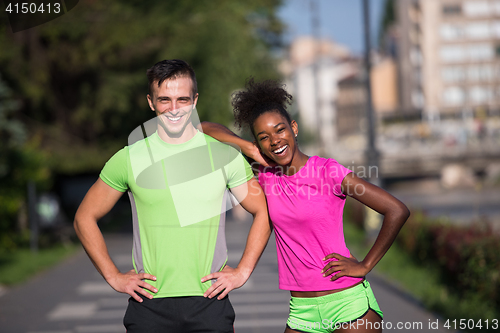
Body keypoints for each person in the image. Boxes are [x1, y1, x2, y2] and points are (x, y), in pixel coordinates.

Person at [73, 60, 271, 333]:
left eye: (183, 99)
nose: (174, 109)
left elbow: (263, 211)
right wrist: (114, 276)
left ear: (195, 100)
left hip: (210, 303)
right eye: (164, 100)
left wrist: (242, 271)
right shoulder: (129, 158)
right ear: (150, 102)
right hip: (149, 306)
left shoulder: (225, 157)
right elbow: (84, 217)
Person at [200, 78, 410, 333]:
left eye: (280, 130)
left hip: (348, 305)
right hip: (302, 309)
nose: (275, 141)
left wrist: (365, 265)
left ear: (294, 128)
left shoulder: (328, 172)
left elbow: (396, 210)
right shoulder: (266, 174)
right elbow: (204, 127)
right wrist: (247, 147)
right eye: (264, 137)